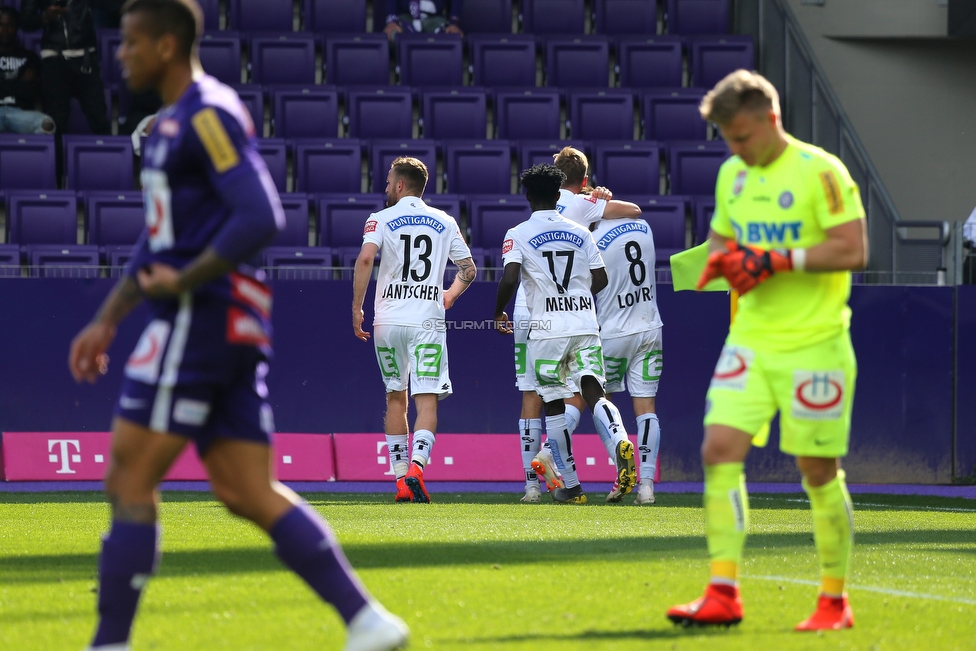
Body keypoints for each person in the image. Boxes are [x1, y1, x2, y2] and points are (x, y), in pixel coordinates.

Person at [67, 1, 408, 649]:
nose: (121, 53)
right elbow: (157, 242)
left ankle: (109, 641)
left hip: (202, 317)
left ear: (166, 46)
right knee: (245, 487)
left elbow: (260, 214)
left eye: (132, 42)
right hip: (220, 320)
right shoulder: (168, 126)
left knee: (129, 478)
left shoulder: (208, 114)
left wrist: (187, 280)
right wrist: (107, 319)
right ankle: (368, 619)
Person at [666, 69, 867, 631]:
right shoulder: (733, 174)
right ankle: (723, 590)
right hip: (751, 339)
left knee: (817, 469)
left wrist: (777, 261)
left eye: (743, 136)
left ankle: (834, 600)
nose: (736, 148)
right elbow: (727, 240)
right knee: (718, 448)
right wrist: (723, 260)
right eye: (728, 139)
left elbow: (853, 248)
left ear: (771, 119)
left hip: (816, 345)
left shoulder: (820, 170)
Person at [495, 164, 634, 505]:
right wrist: (578, 293)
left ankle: (572, 486)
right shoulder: (581, 232)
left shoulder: (518, 232)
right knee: (593, 389)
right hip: (585, 324)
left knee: (554, 403)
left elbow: (511, 277)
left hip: (546, 331)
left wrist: (498, 310)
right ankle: (619, 441)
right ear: (559, 196)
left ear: (527, 196)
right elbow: (600, 279)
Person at [352, 156, 476, 504]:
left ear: (401, 185)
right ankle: (417, 468)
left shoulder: (379, 218)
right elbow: (468, 269)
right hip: (427, 321)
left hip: (388, 321)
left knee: (395, 396)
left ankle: (400, 480)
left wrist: (356, 307)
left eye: (390, 181)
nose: (386, 187)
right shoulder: (444, 221)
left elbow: (365, 259)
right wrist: (448, 295)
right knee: (427, 399)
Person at [590, 212, 662, 505]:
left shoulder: (592, 239)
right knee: (646, 407)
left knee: (598, 398)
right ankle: (646, 487)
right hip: (650, 328)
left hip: (613, 332)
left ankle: (622, 467)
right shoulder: (644, 226)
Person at [21, 0, 111, 135]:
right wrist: (46, 16)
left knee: (99, 117)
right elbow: (25, 22)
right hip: (54, 57)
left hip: (85, 57)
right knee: (55, 122)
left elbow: (113, 5)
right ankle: (57, 156)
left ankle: (106, 155)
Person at [0, 7, 55, 134]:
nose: (5, 30)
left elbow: (33, 92)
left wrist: (4, 85)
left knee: (47, 124)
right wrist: (20, 83)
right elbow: (25, 88)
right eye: (1, 25)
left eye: (10, 25)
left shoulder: (30, 57)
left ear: (17, 28)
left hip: (21, 113)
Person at [383, 0, 462, 40]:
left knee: (453, 37)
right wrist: (392, 21)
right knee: (393, 35)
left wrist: (453, 23)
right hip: (405, 17)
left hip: (435, 19)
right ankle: (402, 68)